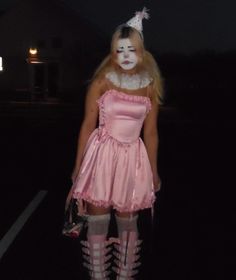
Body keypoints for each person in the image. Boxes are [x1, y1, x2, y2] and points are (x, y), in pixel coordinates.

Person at [66, 7, 164, 280]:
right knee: (98, 219)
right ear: (113, 52)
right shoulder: (102, 81)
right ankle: (98, 275)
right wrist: (78, 167)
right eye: (119, 50)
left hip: (133, 158)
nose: (125, 56)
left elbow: (152, 132)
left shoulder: (149, 84)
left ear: (141, 51)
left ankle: (124, 275)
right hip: (103, 156)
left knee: (129, 222)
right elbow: (87, 125)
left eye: (131, 49)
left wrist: (154, 171)